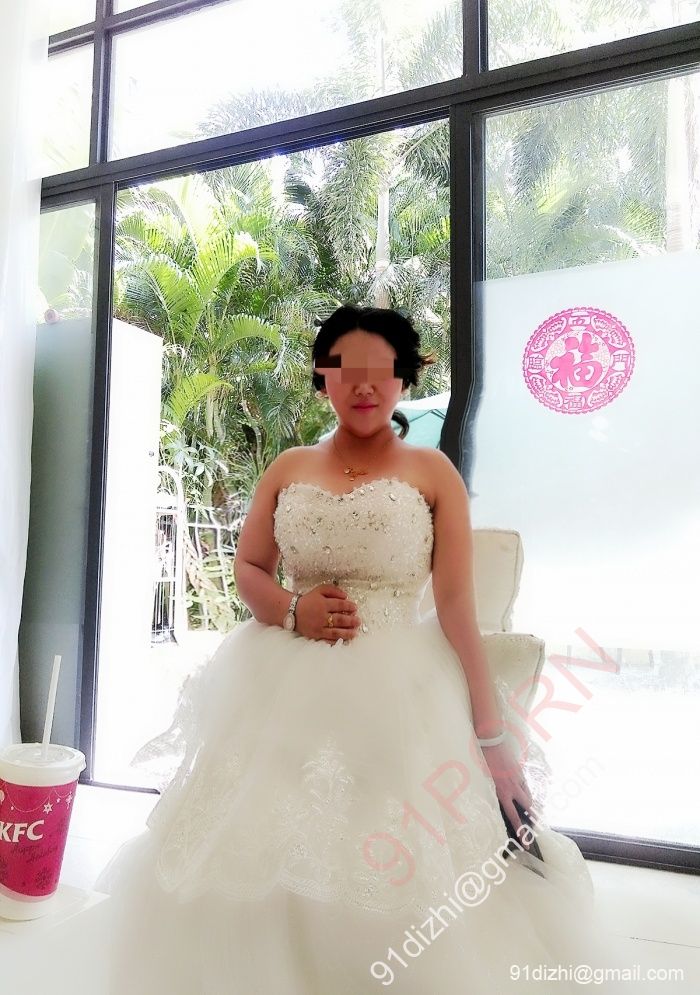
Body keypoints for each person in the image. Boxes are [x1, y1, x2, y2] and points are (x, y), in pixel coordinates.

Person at [95, 304, 627, 994]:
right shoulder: (288, 466)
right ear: (323, 377)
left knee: (393, 843)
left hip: (400, 684)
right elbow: (249, 568)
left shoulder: (433, 472)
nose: (364, 384)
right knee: (259, 832)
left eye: (382, 370)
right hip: (277, 674)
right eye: (346, 368)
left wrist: (492, 733)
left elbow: (457, 606)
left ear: (404, 378)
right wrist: (294, 610)